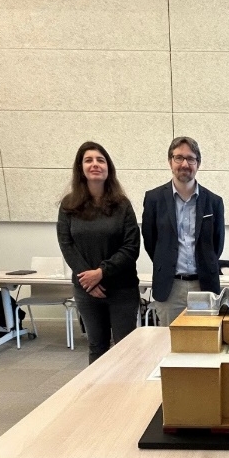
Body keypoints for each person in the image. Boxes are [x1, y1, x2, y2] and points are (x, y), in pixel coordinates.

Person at [57, 141, 140, 363]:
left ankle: (127, 396)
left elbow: (131, 247)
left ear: (108, 168)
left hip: (122, 289)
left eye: (100, 160)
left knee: (125, 347)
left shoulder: (122, 205)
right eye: (89, 160)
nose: (95, 164)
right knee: (97, 346)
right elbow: (67, 245)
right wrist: (89, 279)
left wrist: (101, 273)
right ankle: (99, 396)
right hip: (87, 291)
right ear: (80, 168)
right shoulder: (68, 206)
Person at [142, 137, 225, 326]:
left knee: (205, 343)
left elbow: (216, 245)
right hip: (170, 287)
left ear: (198, 164)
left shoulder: (214, 201)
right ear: (170, 161)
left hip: (204, 286)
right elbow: (150, 241)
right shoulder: (154, 199)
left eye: (191, 159)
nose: (185, 164)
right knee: (169, 344)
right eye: (179, 158)